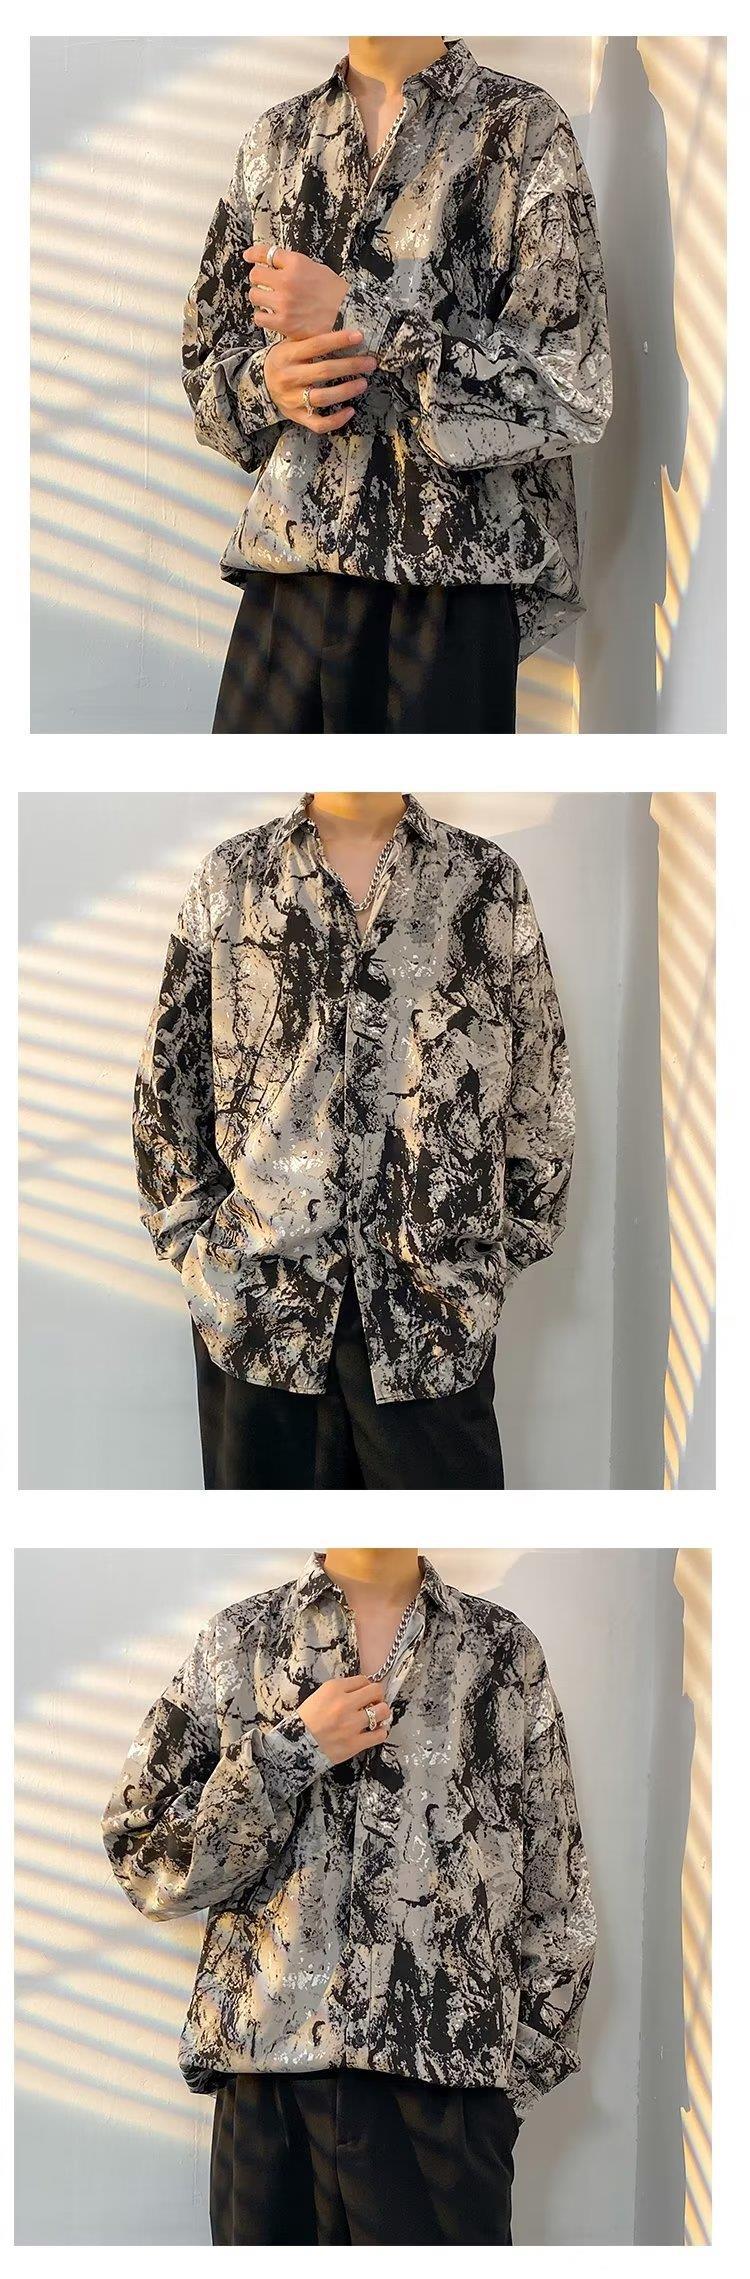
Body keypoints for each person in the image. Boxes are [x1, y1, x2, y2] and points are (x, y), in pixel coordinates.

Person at [102, 1547, 596, 2246]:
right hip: (270, 2098)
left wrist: (495, 2098)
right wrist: (291, 1751)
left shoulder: (501, 1654)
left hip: (445, 2102)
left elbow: (557, 1894)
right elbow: (143, 1857)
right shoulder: (243, 1642)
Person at [132, 793, 575, 1491]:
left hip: (433, 1325)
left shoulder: (486, 882)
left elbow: (539, 1086)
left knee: (443, 1521)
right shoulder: (233, 878)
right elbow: (169, 1083)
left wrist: (488, 1263)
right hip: (259, 1318)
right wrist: (202, 1251)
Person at [182, 36, 612, 736]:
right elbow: (207, 374)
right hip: (293, 570)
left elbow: (570, 393)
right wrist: (269, 385)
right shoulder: (277, 141)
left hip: (455, 578)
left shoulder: (520, 129)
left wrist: (360, 318)